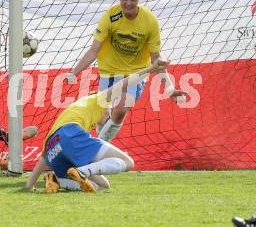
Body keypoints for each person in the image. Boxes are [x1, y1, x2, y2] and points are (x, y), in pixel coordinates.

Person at [66, 0, 186, 142]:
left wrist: (170, 89)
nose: (128, 3)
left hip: (136, 73)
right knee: (102, 116)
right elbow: (94, 50)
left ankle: (95, 149)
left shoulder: (150, 21)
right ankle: (99, 148)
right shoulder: (110, 15)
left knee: (120, 110)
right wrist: (74, 72)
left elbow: (156, 59)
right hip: (108, 70)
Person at [26, 59, 171, 193]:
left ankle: (56, 181)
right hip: (70, 135)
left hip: (54, 147)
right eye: (110, 109)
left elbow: (43, 158)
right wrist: (151, 69)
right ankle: (83, 172)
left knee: (103, 185)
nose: (110, 114)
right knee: (128, 162)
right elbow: (124, 83)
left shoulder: (78, 113)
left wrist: (29, 186)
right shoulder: (99, 100)